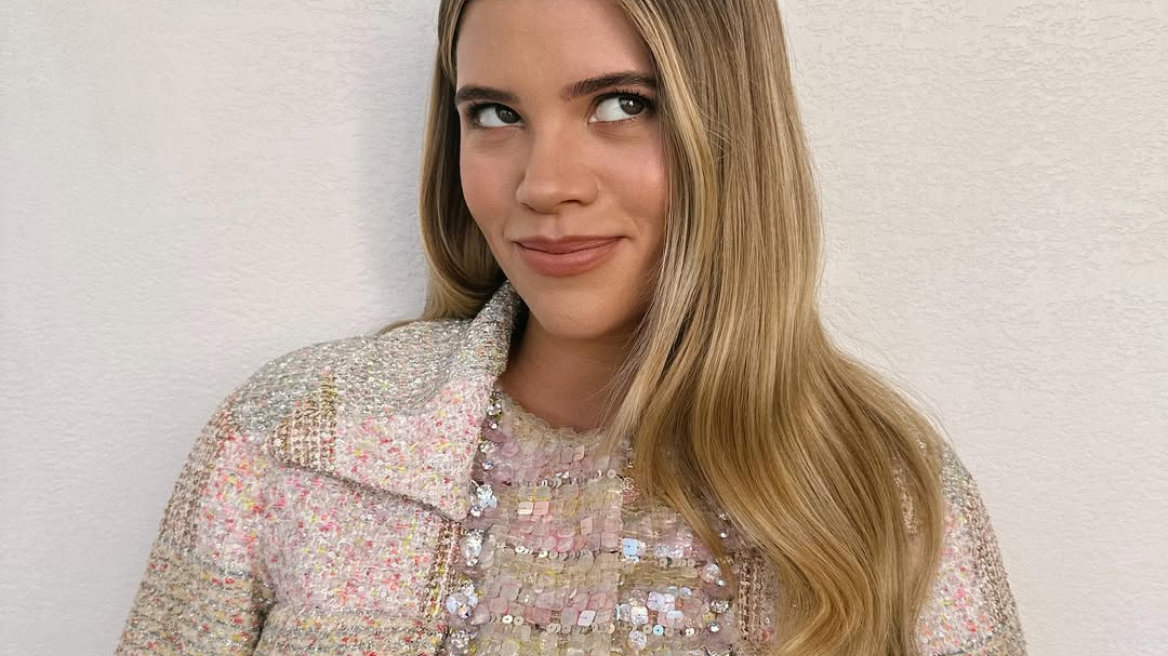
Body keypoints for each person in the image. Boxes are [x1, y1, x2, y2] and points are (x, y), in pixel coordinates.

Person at [114, 0, 1029, 655]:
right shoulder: (295, 440)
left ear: (731, 130)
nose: (545, 184)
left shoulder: (883, 493)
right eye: (495, 114)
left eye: (622, 104)